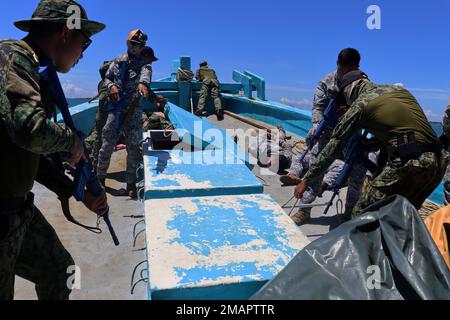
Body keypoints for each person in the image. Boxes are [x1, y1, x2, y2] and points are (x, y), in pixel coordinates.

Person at [0, 0, 107, 300]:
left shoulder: (33, 69)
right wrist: (70, 141)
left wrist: (78, 192)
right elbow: (30, 129)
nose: (84, 53)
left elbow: (31, 155)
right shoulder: (11, 57)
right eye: (84, 42)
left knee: (60, 272)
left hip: (16, 211)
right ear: (64, 32)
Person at [295, 69, 449, 219]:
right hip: (439, 162)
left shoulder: (360, 104)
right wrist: (373, 142)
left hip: (409, 163)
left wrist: (306, 180)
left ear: (350, 92)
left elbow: (332, 149)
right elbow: (404, 130)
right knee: (400, 217)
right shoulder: (398, 91)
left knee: (362, 215)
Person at [285, 48, 367, 225]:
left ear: (357, 67)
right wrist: (316, 125)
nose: (345, 73)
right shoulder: (327, 82)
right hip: (327, 134)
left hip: (351, 134)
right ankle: (304, 210)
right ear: (338, 64)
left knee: (357, 175)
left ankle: (349, 214)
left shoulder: (362, 84)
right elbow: (318, 107)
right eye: (343, 69)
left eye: (350, 70)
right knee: (317, 167)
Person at [97, 29, 152, 199]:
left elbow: (145, 75)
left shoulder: (144, 63)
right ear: (128, 43)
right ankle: (100, 180)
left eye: (140, 45)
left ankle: (131, 183)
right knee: (107, 144)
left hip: (133, 111)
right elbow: (107, 78)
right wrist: (111, 86)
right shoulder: (118, 61)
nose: (136, 48)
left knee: (133, 147)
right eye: (133, 44)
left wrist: (143, 84)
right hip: (116, 109)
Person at [85, 60, 113, 171]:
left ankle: (95, 167)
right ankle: (96, 168)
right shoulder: (108, 84)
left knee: (99, 138)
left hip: (107, 111)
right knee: (101, 139)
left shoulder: (103, 83)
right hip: (108, 110)